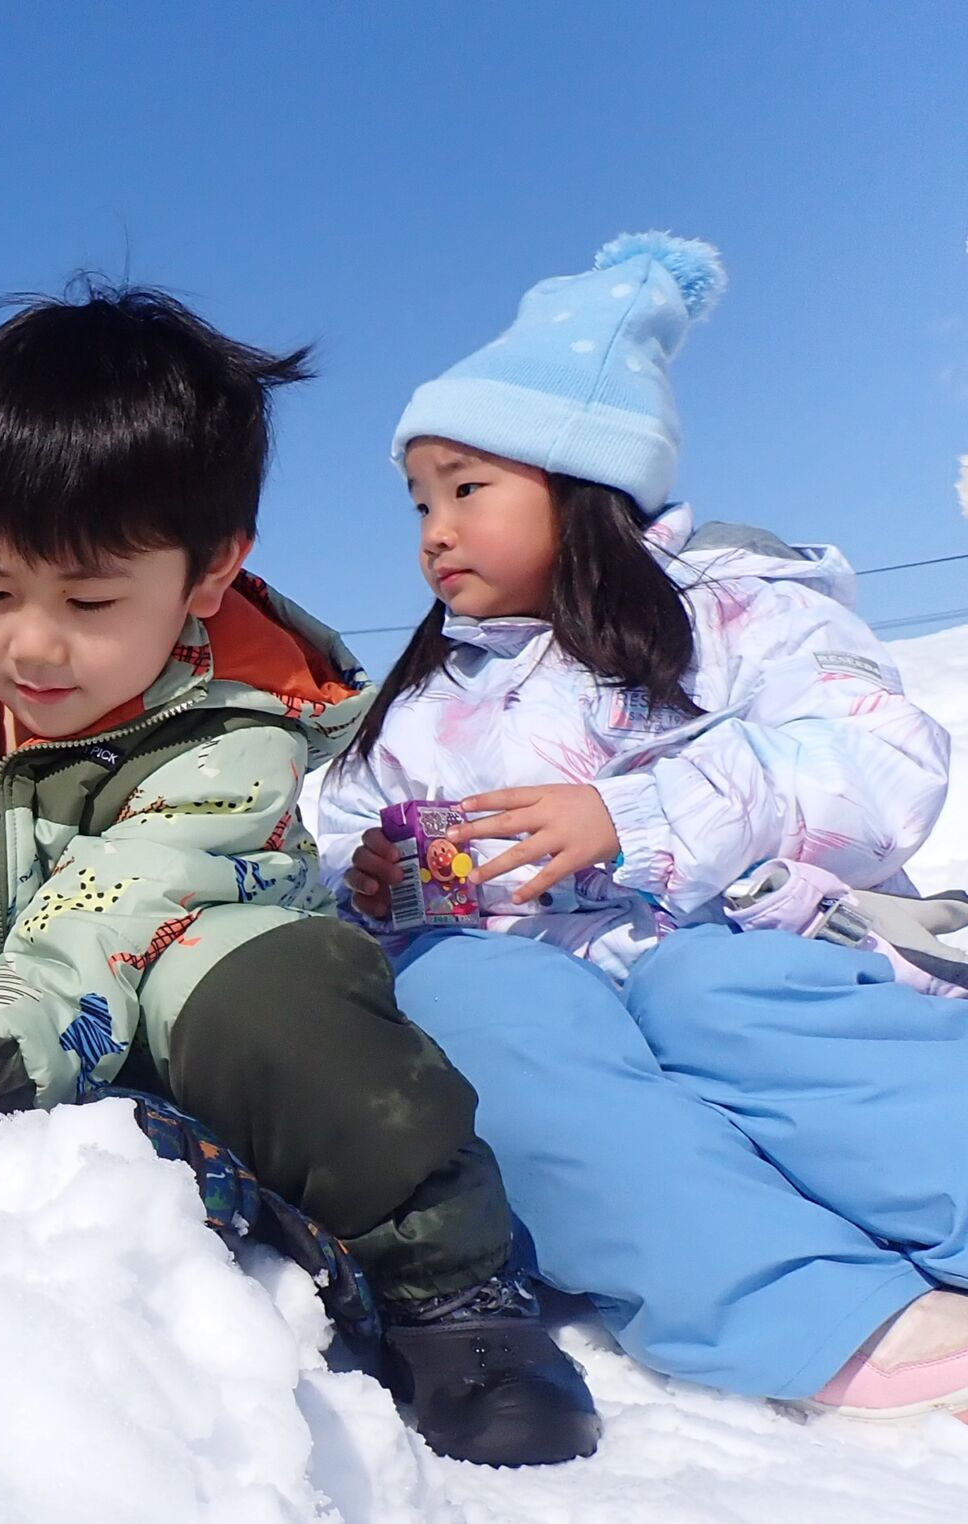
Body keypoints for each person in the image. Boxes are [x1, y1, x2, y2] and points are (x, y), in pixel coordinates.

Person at [0, 282, 598, 1467]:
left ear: (208, 573)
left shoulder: (233, 723)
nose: (29, 642)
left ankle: (451, 1293)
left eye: (90, 599)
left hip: (148, 1028)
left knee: (285, 995)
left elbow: (120, 908)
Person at [318, 232, 962, 1417]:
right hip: (549, 1010)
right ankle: (814, 1310)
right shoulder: (422, 701)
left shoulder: (736, 614)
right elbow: (352, 843)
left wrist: (631, 817)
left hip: (758, 963)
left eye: (467, 488)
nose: (432, 531)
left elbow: (883, 763)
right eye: (418, 500)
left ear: (584, 482)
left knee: (712, 995)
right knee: (477, 1002)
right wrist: (373, 885)